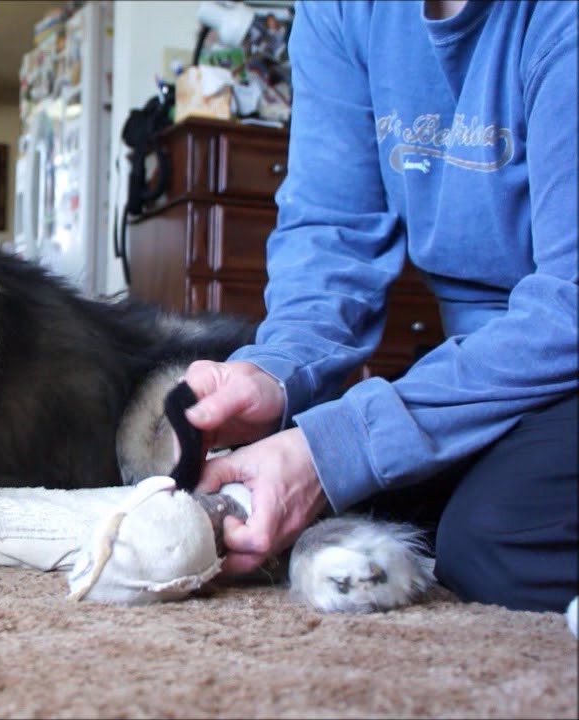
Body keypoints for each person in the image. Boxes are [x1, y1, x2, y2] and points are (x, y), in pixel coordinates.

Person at [182, 0, 577, 613]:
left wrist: (340, 446)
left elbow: (569, 304)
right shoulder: (341, 12)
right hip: (490, 358)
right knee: (342, 495)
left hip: (562, 342)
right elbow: (332, 233)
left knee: (496, 541)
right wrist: (275, 372)